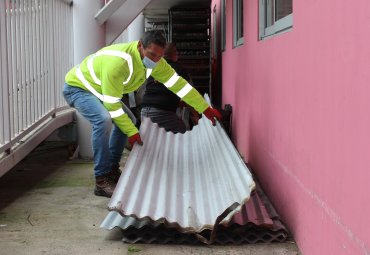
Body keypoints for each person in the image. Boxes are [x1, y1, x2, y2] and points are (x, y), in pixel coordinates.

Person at [62, 30, 221, 198]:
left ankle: (112, 170)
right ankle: (101, 180)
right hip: (79, 88)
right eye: (151, 54)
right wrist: (132, 132)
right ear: (140, 46)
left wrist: (204, 108)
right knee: (103, 120)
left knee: (128, 120)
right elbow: (112, 105)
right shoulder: (118, 63)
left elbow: (179, 85)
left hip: (100, 90)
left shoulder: (156, 62)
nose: (155, 60)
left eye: (159, 56)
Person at [141, 43, 196, 134]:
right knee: (182, 131)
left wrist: (176, 103)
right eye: (176, 51)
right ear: (174, 54)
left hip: (144, 110)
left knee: (152, 137)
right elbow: (188, 95)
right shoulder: (179, 69)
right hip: (161, 112)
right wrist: (196, 116)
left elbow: (159, 91)